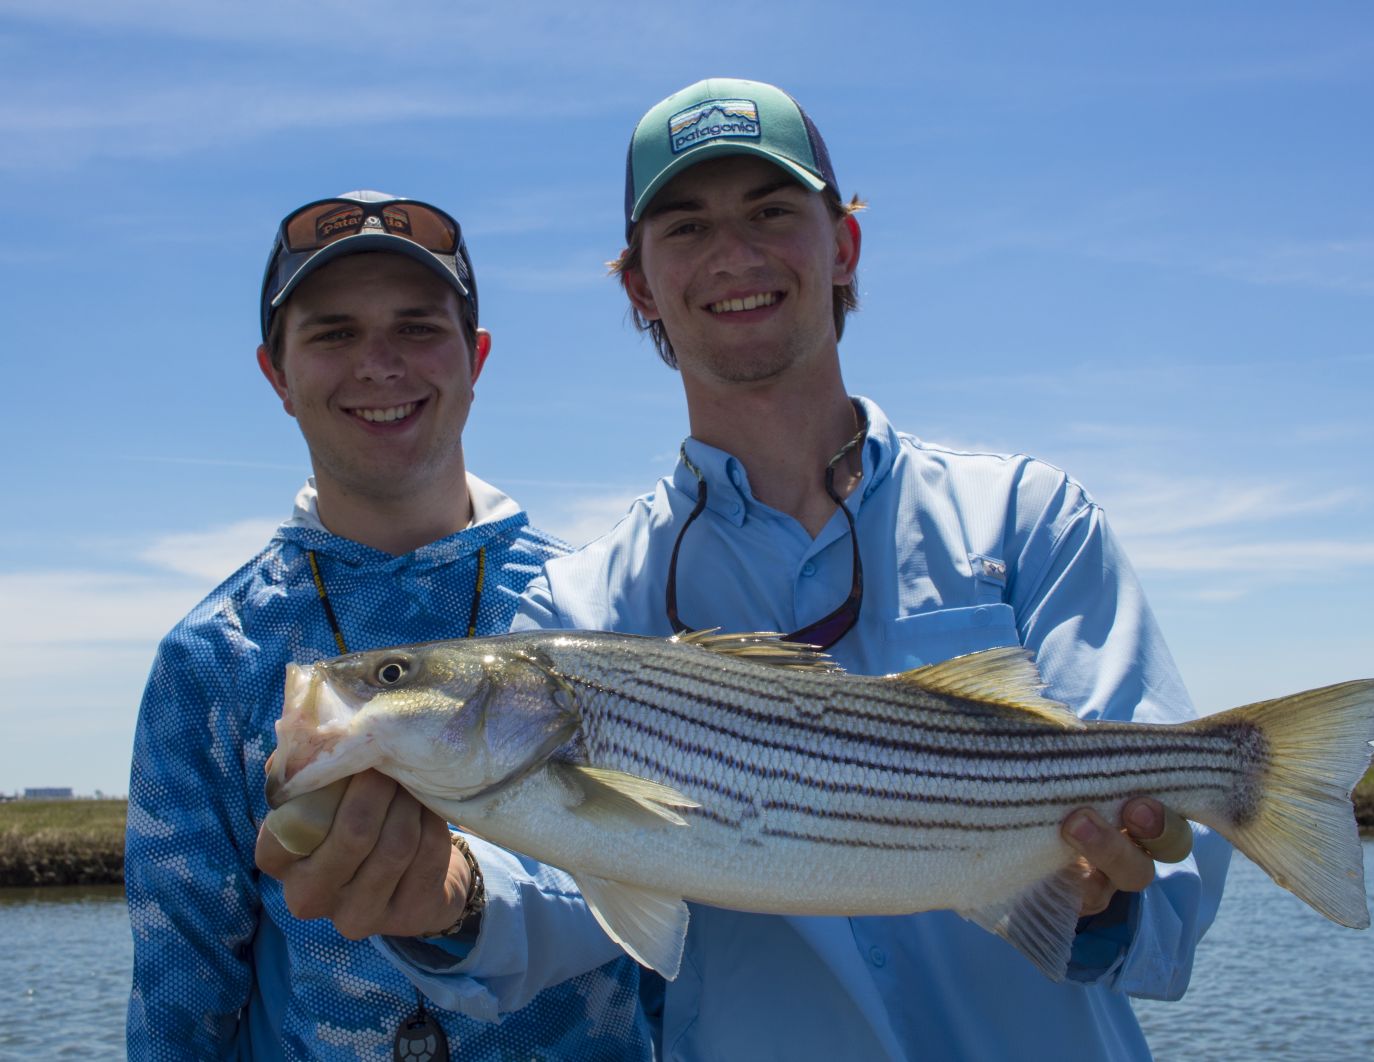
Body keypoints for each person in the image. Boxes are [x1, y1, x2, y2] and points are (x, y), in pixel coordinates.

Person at [489, 79, 1227, 1060]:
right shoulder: (576, 610)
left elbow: (1167, 900)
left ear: (841, 246)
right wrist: (449, 905)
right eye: (686, 226)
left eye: (771, 213)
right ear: (638, 283)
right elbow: (543, 896)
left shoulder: (1028, 517)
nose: (734, 256)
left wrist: (1099, 898)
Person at [125, 191, 652, 1059]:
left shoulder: (594, 603)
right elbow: (178, 1001)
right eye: (333, 334)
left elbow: (679, 936)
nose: (379, 364)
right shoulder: (212, 660)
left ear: (476, 359)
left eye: (417, 328)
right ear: (277, 374)